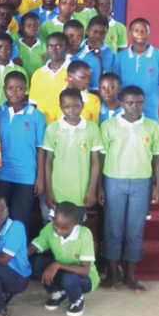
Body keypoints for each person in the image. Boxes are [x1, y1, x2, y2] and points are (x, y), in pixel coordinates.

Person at [99, 86, 159, 293]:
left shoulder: (152, 127)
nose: (134, 107)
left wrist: (158, 186)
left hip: (141, 184)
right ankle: (111, 274)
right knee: (113, 229)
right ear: (121, 104)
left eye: (139, 103)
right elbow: (100, 157)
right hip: (114, 181)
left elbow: (158, 158)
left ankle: (130, 275)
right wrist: (99, 185)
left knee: (135, 230)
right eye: (129, 103)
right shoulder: (109, 126)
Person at [28, 202, 99, 316]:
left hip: (85, 278)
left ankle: (77, 299)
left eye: (64, 228)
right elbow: (31, 249)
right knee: (36, 263)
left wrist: (58, 265)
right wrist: (13, 261)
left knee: (69, 278)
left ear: (75, 223)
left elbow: (85, 271)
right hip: (64, 271)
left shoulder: (84, 234)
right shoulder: (49, 229)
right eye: (56, 225)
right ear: (53, 218)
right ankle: (59, 292)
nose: (59, 230)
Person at [0, 72, 46, 230]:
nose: (14, 92)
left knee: (20, 219)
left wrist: (40, 177)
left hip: (26, 176)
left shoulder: (36, 116)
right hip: (1, 174)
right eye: (10, 88)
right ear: (4, 89)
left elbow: (41, 149)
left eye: (19, 88)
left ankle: (18, 253)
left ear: (26, 89)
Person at [43, 88, 103, 224]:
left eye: (76, 106)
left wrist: (91, 189)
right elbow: (48, 162)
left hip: (80, 193)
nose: (72, 110)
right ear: (60, 107)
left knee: (76, 229)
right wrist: (49, 190)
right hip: (57, 191)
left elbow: (95, 162)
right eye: (67, 107)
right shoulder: (52, 129)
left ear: (83, 105)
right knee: (56, 229)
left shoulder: (92, 129)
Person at [113, 18, 159, 122]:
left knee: (148, 136)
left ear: (149, 33)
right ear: (130, 33)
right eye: (136, 30)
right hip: (124, 110)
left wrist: (151, 97)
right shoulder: (119, 57)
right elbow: (115, 85)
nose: (140, 34)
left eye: (144, 30)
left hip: (149, 110)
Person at [29, 32, 70, 123]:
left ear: (66, 48)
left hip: (66, 123)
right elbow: (33, 103)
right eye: (50, 46)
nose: (54, 50)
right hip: (42, 122)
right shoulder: (38, 74)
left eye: (59, 46)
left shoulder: (73, 72)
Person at [17, 13, 47, 78]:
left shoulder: (45, 46)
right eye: (29, 26)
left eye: (36, 25)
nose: (33, 28)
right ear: (22, 27)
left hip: (39, 82)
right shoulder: (16, 46)